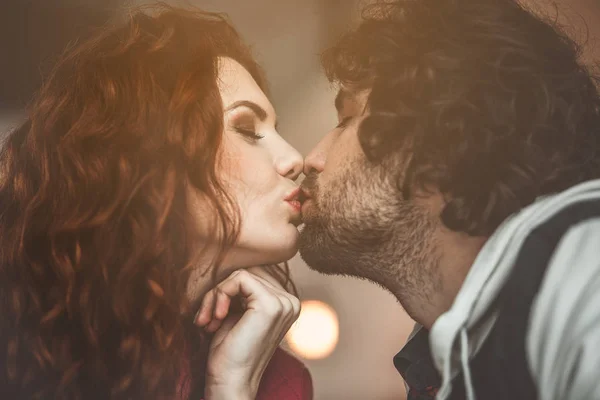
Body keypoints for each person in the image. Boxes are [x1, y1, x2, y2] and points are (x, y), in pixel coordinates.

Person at [0, 5, 312, 400]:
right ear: (152, 155)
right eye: (248, 129)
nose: (294, 158)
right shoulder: (20, 337)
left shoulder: (277, 382)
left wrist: (231, 388)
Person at [298, 0, 600, 399]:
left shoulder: (585, 270)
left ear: (443, 134)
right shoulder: (439, 368)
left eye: (346, 120)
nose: (312, 158)